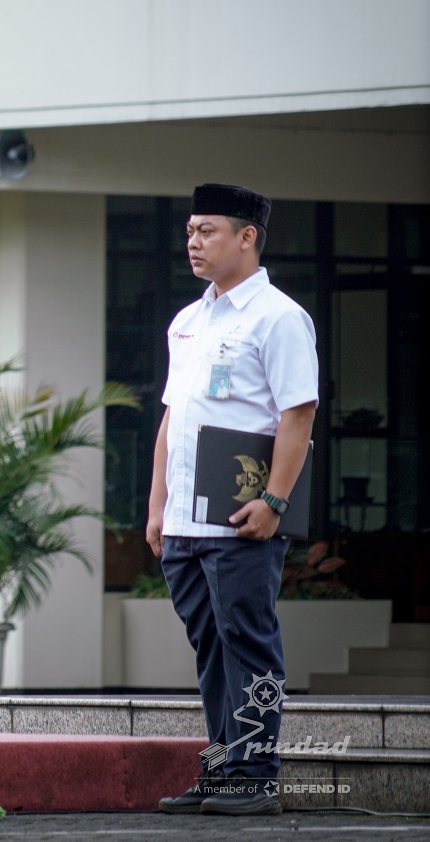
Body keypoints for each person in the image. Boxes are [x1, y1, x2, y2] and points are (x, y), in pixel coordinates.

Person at [147, 183, 319, 817]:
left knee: (249, 642)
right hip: (185, 522)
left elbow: (297, 417)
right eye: (190, 230)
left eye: (208, 230)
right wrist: (156, 507)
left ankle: (257, 775)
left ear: (247, 237)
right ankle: (223, 770)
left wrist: (274, 501)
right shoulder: (188, 322)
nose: (193, 241)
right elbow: (171, 420)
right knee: (211, 649)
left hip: (243, 519)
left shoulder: (278, 317)